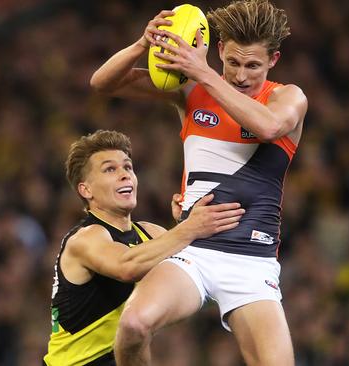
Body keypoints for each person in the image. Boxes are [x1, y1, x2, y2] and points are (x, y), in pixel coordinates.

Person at [90, 0, 307, 364]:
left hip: (251, 261)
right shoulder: (190, 91)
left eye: (253, 65)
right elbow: (103, 83)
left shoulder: (288, 97)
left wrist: (205, 73)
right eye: (233, 62)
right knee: (133, 326)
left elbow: (269, 127)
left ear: (273, 60)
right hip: (194, 249)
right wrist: (143, 44)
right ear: (219, 50)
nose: (240, 75)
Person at [43, 130, 244, 365]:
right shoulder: (86, 238)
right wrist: (187, 229)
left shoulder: (150, 233)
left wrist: (186, 222)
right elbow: (126, 266)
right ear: (86, 190)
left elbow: (200, 271)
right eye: (110, 169)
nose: (124, 175)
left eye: (127, 167)